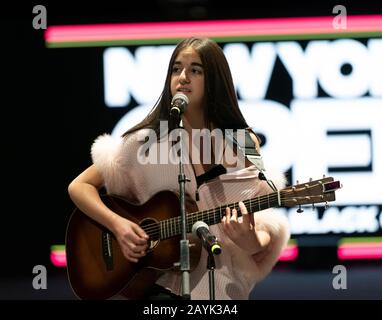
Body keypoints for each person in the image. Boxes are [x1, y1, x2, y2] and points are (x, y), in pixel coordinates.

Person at [68, 37, 290, 300]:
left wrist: (251, 240)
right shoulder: (145, 143)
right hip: (158, 287)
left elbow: (260, 226)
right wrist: (119, 226)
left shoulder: (241, 142)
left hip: (221, 288)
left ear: (215, 80)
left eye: (195, 70)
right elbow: (79, 186)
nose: (183, 77)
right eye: (176, 69)